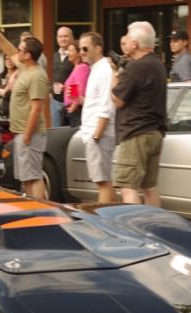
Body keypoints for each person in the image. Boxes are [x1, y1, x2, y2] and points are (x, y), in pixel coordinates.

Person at [0, 23, 49, 199]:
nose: (17, 52)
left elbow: (37, 108)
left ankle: (41, 211)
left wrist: (28, 135)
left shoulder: (37, 75)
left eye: (21, 49)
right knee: (27, 178)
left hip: (31, 134)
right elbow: (11, 51)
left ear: (28, 55)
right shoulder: (25, 67)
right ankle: (33, 209)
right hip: (21, 133)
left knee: (34, 176)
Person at [111, 21, 167, 207]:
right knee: (149, 187)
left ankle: (133, 233)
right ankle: (155, 230)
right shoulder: (158, 64)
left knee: (128, 188)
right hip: (155, 132)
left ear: (135, 43)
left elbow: (117, 100)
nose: (124, 40)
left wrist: (115, 75)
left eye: (127, 36)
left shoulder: (135, 67)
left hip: (134, 133)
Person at [78, 32, 116, 203]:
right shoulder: (96, 70)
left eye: (85, 48)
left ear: (98, 48)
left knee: (103, 182)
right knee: (103, 181)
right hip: (95, 133)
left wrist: (96, 135)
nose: (82, 52)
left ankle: (106, 224)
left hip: (100, 134)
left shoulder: (104, 70)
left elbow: (106, 105)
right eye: (80, 48)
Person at [52, 27, 74, 128]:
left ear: (71, 38)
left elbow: (78, 78)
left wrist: (66, 88)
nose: (63, 39)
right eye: (60, 36)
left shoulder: (75, 56)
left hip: (71, 101)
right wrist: (51, 88)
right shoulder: (54, 56)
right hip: (56, 101)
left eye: (66, 36)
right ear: (57, 39)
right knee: (56, 131)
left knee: (71, 130)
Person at [62, 43, 88, 128]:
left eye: (71, 50)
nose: (68, 53)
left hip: (75, 110)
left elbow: (80, 90)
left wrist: (72, 109)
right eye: (67, 50)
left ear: (78, 53)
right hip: (70, 108)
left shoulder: (82, 67)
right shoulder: (76, 68)